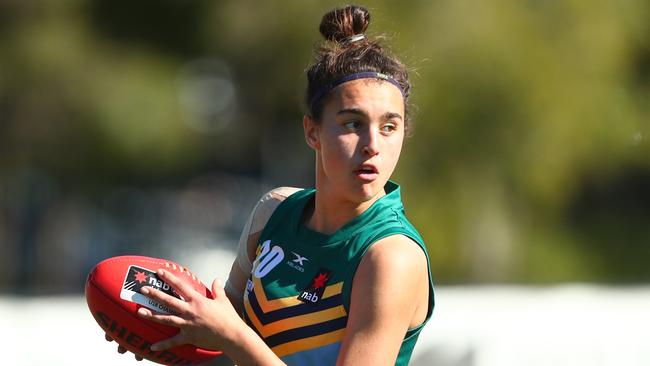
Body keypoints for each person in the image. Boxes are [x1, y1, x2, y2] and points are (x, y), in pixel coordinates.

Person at [108, 5, 434, 365]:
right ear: (312, 131)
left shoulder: (389, 257)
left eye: (389, 126)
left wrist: (233, 337)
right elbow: (216, 346)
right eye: (353, 124)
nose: (373, 144)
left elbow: (231, 336)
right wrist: (157, 330)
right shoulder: (274, 212)